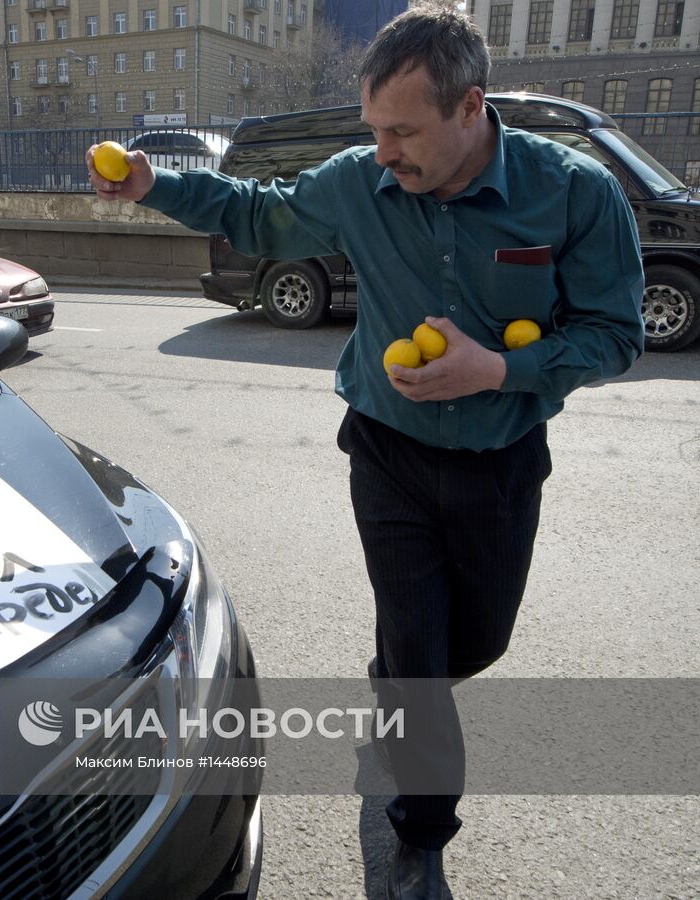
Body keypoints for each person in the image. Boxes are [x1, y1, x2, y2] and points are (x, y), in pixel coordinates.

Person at [87, 7, 643, 900]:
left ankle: (394, 675)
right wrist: (157, 183)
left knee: (474, 644)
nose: (383, 151)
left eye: (403, 132)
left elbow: (614, 334)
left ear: (470, 108)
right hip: (385, 451)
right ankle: (420, 837)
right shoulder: (359, 183)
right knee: (423, 666)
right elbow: (257, 215)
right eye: (373, 131)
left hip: (501, 461)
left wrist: (498, 368)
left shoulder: (574, 192)